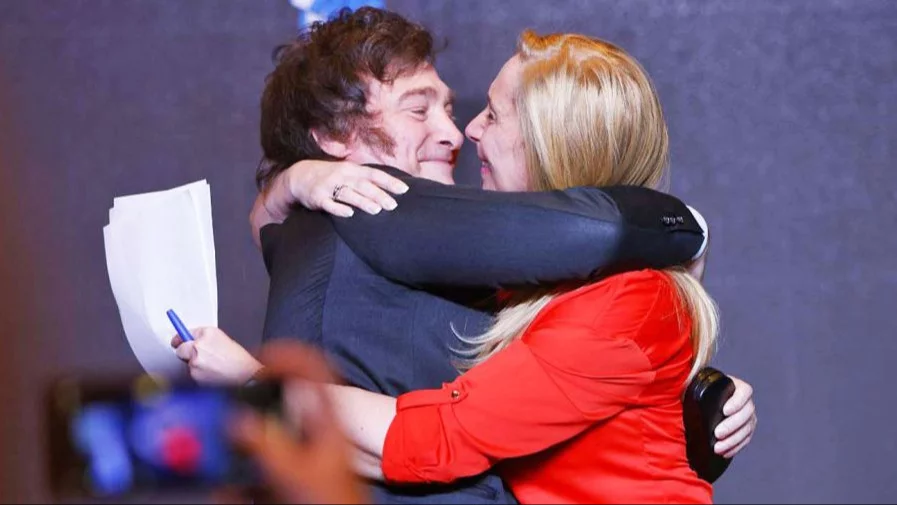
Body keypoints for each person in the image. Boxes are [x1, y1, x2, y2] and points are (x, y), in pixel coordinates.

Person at [172, 7, 755, 503]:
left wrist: (255, 381)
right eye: (418, 110)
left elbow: (440, 437)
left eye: (489, 115)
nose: (463, 131)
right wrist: (292, 182)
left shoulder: (605, 291)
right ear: (334, 139)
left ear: (550, 142)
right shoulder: (391, 226)